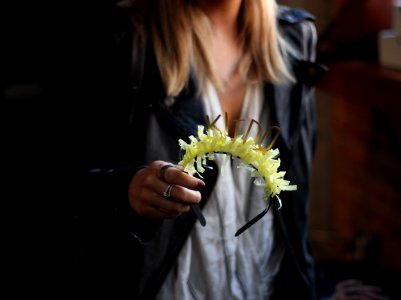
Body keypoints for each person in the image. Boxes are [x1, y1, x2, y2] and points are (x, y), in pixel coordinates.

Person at [56, 0, 326, 299]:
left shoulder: (295, 36)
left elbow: (296, 200)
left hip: (266, 280)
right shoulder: (124, 36)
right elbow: (66, 182)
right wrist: (127, 188)